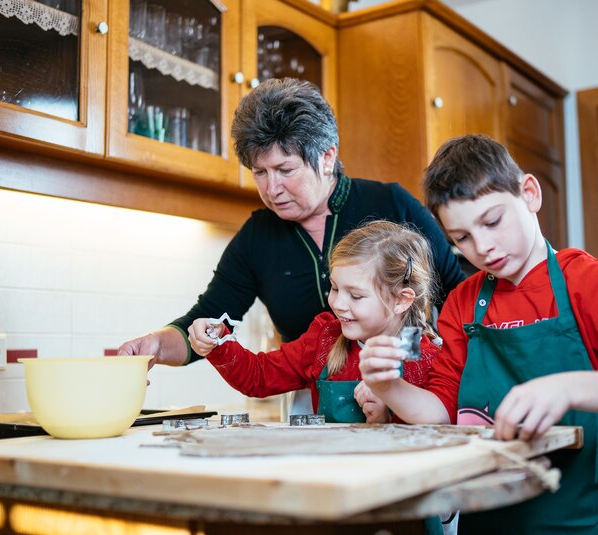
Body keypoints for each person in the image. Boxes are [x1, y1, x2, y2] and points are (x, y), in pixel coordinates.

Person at [358, 134, 598, 535]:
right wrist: (387, 387)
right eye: (463, 237)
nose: (483, 248)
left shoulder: (589, 282)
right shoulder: (463, 301)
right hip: (488, 527)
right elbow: (442, 411)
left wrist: (568, 389)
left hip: (576, 529)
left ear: (529, 194)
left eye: (493, 222)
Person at [118, 79, 465, 384]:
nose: (272, 189)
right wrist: (156, 344)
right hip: (307, 396)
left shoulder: (391, 203)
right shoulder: (258, 236)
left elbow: (458, 296)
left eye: (285, 169)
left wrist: (437, 368)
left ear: (327, 157)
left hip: (409, 380)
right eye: (260, 172)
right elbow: (207, 318)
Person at [188, 220, 455, 426]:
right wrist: (218, 342)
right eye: (335, 288)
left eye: (356, 295)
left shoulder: (427, 358)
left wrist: (387, 418)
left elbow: (438, 431)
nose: (338, 303)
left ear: (401, 300)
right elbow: (258, 376)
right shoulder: (325, 337)